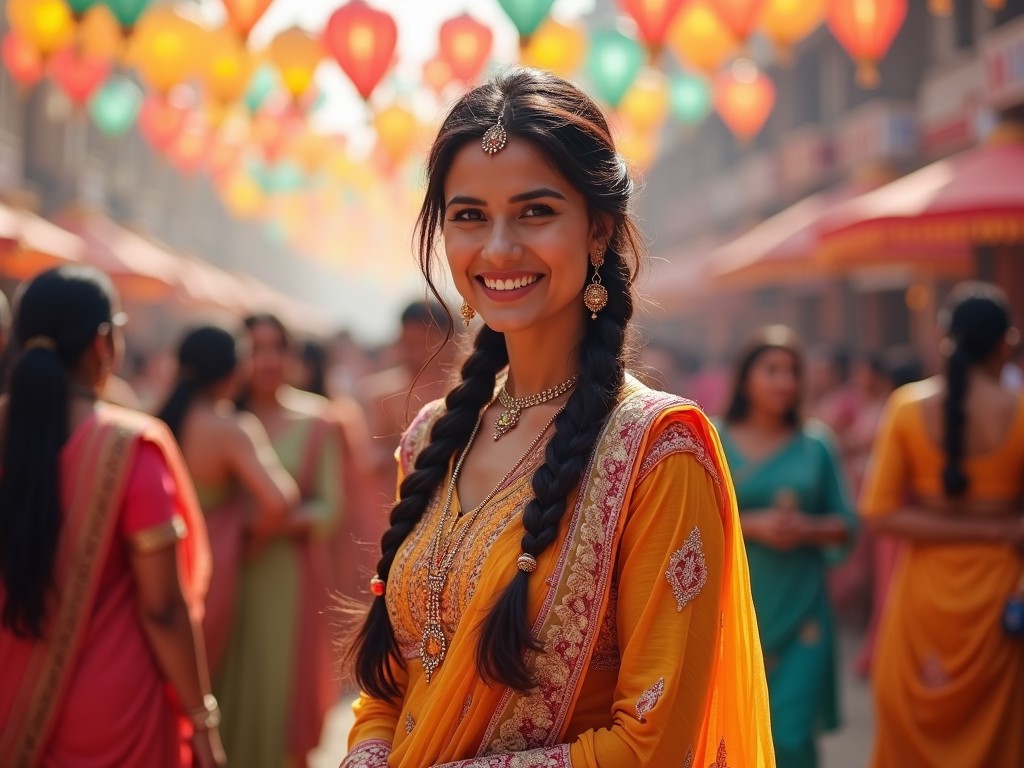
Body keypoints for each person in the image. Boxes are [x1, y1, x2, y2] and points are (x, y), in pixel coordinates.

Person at [341, 68, 774, 768]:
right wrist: (366, 755)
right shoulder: (429, 441)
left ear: (599, 230)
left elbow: (655, 744)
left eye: (535, 212)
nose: (500, 248)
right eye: (469, 215)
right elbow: (391, 683)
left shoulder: (657, 454)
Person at [0, 266, 225, 767]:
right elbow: (164, 608)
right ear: (102, 344)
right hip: (113, 720)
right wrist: (203, 720)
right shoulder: (128, 449)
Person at [860, 282, 1024, 767]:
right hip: (1000, 596)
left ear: (942, 338)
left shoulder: (908, 408)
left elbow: (879, 513)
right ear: (1006, 344)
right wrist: (999, 528)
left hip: (923, 598)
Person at [716, 325, 856, 768]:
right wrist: (749, 525)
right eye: (772, 370)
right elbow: (686, 522)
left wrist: (805, 530)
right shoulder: (712, 438)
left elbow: (846, 525)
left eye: (793, 371)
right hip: (734, 611)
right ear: (744, 378)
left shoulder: (816, 445)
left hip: (803, 611)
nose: (785, 382)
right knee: (733, 734)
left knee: (792, 736)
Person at [216, 313, 344, 768]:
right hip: (224, 574)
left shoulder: (317, 421)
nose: (266, 359)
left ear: (291, 356)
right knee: (222, 687)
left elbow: (329, 509)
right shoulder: (221, 417)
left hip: (287, 577)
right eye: (255, 348)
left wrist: (269, 525)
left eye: (276, 347)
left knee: (277, 689)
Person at [156, 325, 299, 675]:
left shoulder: (155, 418)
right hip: (209, 564)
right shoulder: (231, 429)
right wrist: (250, 533)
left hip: (153, 563)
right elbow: (280, 501)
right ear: (234, 370)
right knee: (200, 672)